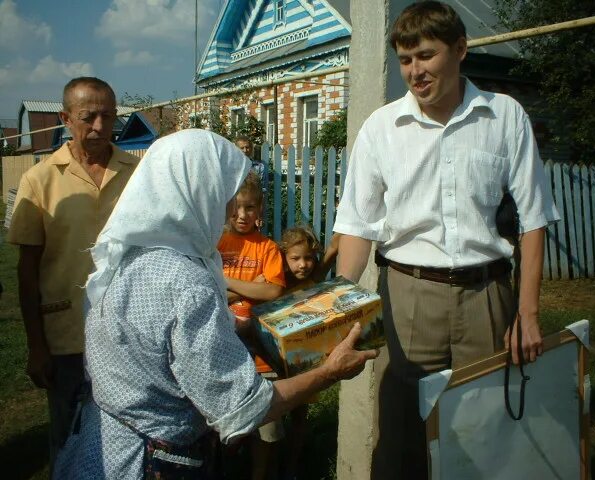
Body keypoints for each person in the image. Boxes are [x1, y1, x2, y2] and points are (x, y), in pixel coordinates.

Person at [52, 129, 377, 479]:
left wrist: (235, 327)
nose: (227, 206)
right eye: (224, 192)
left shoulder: (125, 257)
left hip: (99, 447)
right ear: (200, 190)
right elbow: (244, 408)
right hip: (148, 463)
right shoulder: (185, 282)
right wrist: (329, 372)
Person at [332, 2, 560, 478]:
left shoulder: (505, 118)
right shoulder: (381, 129)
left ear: (460, 50)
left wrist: (528, 313)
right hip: (408, 297)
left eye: (427, 56)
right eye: (406, 60)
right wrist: (337, 314)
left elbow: (533, 220)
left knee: (487, 426)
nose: (415, 71)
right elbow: (356, 225)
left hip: (487, 296)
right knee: (401, 435)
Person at [7, 76, 139, 465]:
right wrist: (36, 345)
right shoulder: (40, 179)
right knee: (68, 438)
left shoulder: (136, 173)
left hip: (126, 331)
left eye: (109, 116)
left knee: (125, 438)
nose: (100, 126)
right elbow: (26, 270)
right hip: (66, 336)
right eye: (89, 117)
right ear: (66, 118)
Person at [218, 171, 286, 480]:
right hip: (222, 345)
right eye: (237, 207)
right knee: (223, 419)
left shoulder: (268, 248)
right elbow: (208, 288)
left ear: (260, 210)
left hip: (260, 352)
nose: (242, 215)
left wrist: (227, 284)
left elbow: (273, 290)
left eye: (250, 208)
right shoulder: (216, 243)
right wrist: (248, 285)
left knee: (266, 422)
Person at [278, 225, 340, 480]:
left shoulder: (315, 279)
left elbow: (336, 245)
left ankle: (291, 466)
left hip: (304, 361)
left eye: (308, 258)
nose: (303, 264)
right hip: (276, 360)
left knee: (299, 416)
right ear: (283, 257)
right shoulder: (276, 283)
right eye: (295, 258)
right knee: (273, 417)